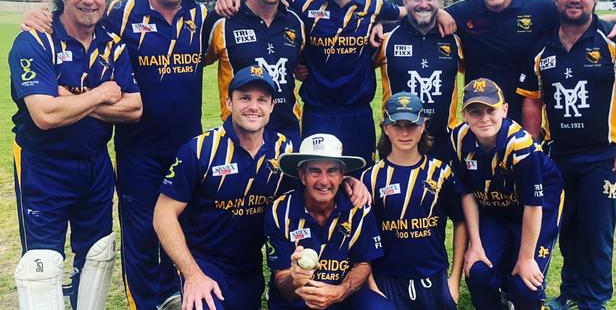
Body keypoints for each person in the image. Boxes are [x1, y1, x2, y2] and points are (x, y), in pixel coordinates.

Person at [20, 0, 210, 307]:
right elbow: (77, 18)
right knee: (139, 233)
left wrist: (74, 99)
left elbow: (233, 28)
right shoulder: (121, 13)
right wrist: (39, 14)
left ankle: (175, 294)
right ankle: (144, 301)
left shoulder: (201, 15)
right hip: (137, 148)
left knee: (182, 224)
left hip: (187, 145)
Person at [153, 66, 371, 310]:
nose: (253, 106)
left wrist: (348, 181)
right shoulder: (200, 150)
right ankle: (175, 297)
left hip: (249, 269)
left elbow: (315, 179)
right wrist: (193, 274)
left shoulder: (285, 150)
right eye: (244, 98)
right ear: (229, 102)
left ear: (271, 107)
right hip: (204, 262)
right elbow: (163, 214)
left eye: (262, 100)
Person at [370, 0, 616, 125]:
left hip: (526, 119)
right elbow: (424, 11)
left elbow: (580, 14)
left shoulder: (539, 7)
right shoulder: (462, 13)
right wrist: (386, 19)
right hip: (481, 119)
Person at [9, 0, 142, 310]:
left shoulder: (113, 44)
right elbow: (45, 114)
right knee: (42, 265)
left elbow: (133, 108)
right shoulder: (36, 39)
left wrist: (71, 96)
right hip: (43, 164)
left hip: (96, 164)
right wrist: (100, 93)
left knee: (98, 255)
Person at [518, 0, 616, 310]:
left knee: (595, 233)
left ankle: (594, 301)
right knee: (569, 230)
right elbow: (532, 102)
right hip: (559, 154)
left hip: (604, 157)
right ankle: (571, 292)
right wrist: (533, 148)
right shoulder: (542, 49)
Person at [215, 0, 406, 174]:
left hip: (358, 113)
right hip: (318, 112)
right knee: (316, 181)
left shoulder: (372, 4)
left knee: (359, 179)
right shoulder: (301, 2)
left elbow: (409, 12)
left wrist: (380, 23)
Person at [450, 78, 563, 310]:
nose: (484, 118)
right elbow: (467, 193)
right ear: (464, 115)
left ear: (505, 110)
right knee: (478, 269)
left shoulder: (520, 145)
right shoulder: (459, 139)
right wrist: (476, 244)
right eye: (475, 111)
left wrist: (526, 258)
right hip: (495, 209)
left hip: (538, 207)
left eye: (491, 110)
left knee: (524, 282)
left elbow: (533, 205)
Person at [361, 92, 467, 309]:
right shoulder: (370, 177)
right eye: (397, 125)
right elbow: (362, 236)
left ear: (424, 125)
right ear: (385, 127)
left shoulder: (441, 173)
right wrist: (371, 285)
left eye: (412, 124)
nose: (405, 132)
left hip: (433, 277)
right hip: (387, 279)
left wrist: (454, 279)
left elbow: (460, 222)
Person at [265, 133, 393, 310]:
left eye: (332, 171)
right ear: (302, 175)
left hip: (344, 297)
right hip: (298, 301)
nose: (324, 181)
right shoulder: (279, 211)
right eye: (315, 171)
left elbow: (363, 264)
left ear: (342, 175)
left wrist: (340, 291)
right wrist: (295, 278)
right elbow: (282, 280)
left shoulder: (358, 207)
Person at [203, 0, 305, 148]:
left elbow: (303, 65)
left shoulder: (296, 22)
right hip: (238, 137)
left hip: (287, 135)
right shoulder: (224, 20)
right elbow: (194, 64)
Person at [373, 0, 464, 158]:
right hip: (398, 143)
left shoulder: (455, 40)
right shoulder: (386, 38)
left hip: (445, 145)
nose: (423, 4)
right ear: (405, 1)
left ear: (439, 1)